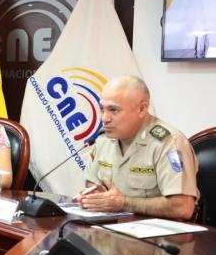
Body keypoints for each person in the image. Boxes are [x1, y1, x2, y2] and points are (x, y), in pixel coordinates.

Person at [74, 75, 198, 220]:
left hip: (159, 237)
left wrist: (123, 202)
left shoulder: (169, 143)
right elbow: (91, 183)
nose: (104, 118)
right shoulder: (103, 140)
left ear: (141, 109)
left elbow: (182, 207)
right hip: (111, 229)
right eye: (102, 109)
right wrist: (95, 197)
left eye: (113, 110)